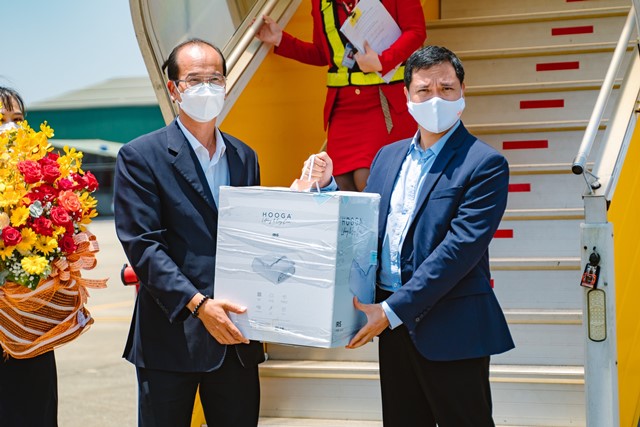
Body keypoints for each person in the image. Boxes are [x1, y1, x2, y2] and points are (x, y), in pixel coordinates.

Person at [307, 46, 515, 426]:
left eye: (446, 88)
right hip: (394, 327)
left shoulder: (484, 163)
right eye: (424, 90)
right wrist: (325, 189)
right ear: (406, 96)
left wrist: (389, 312)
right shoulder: (387, 156)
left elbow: (458, 250)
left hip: (450, 326)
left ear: (463, 91)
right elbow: (366, 223)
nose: (436, 99)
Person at [113, 39, 265, 427]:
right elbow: (143, 246)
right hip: (171, 337)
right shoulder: (140, 156)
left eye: (215, 79)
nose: (207, 88)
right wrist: (197, 304)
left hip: (235, 338)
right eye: (195, 80)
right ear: (174, 89)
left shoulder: (244, 156)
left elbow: (252, 238)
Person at [256, 0, 426, 191]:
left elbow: (416, 31)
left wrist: (382, 61)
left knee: (368, 179)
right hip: (343, 109)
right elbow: (324, 53)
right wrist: (280, 39)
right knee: (338, 182)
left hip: (383, 104)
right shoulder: (319, 2)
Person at [0, 86, 58, 427]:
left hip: (30, 326)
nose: (11, 127)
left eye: (18, 119)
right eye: (1, 120)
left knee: (35, 409)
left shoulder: (40, 183)